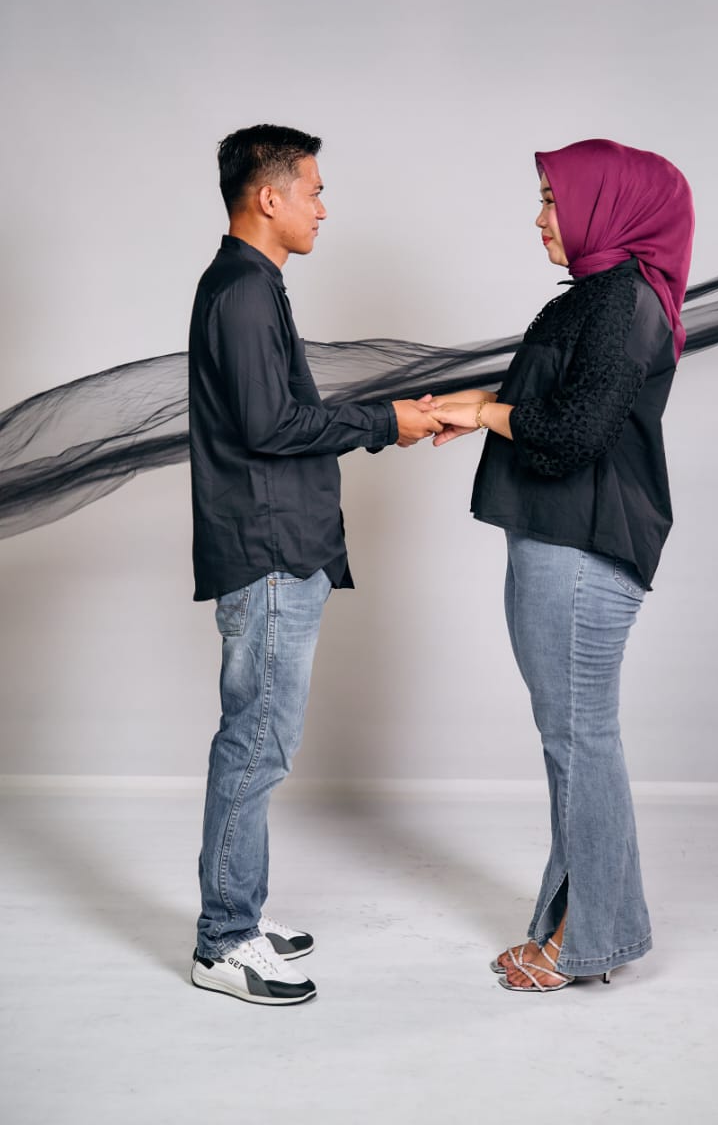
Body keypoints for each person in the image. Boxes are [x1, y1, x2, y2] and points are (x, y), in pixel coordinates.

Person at [431, 138, 694, 991]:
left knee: (580, 741)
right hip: (557, 536)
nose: (540, 217)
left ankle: (586, 940)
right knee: (572, 740)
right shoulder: (597, 296)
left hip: (582, 544)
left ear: (610, 207)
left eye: (552, 198)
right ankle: (579, 927)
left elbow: (574, 434)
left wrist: (483, 413)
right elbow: (560, 408)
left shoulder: (623, 301)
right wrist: (480, 407)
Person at [188, 124, 440, 1006]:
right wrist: (384, 423)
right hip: (266, 551)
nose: (323, 208)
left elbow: (275, 414)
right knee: (255, 743)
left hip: (281, 547)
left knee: (261, 740)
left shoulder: (253, 285)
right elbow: (271, 428)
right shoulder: (242, 291)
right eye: (315, 190)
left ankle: (240, 915)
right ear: (270, 196)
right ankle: (223, 940)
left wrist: (387, 420)